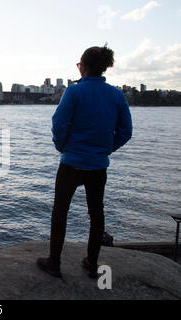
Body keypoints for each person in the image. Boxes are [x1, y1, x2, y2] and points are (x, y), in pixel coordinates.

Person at [37, 45, 133, 279]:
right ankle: (91, 263)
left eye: (79, 65)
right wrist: (106, 149)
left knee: (60, 212)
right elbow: (126, 131)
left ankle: (55, 263)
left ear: (85, 67)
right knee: (96, 213)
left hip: (71, 163)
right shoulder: (116, 95)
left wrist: (63, 147)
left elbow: (59, 123)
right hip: (98, 166)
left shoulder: (74, 92)